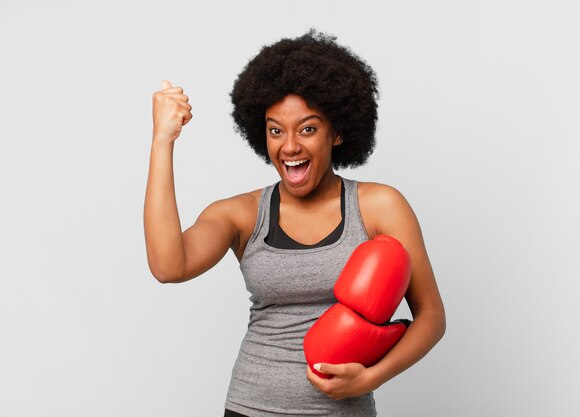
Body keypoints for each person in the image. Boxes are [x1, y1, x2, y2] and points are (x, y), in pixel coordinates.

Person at [144, 29, 446, 417]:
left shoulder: (379, 206)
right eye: (275, 130)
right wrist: (162, 140)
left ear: (337, 132)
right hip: (250, 407)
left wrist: (371, 379)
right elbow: (168, 266)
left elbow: (431, 316)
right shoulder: (243, 213)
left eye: (307, 128)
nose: (289, 146)